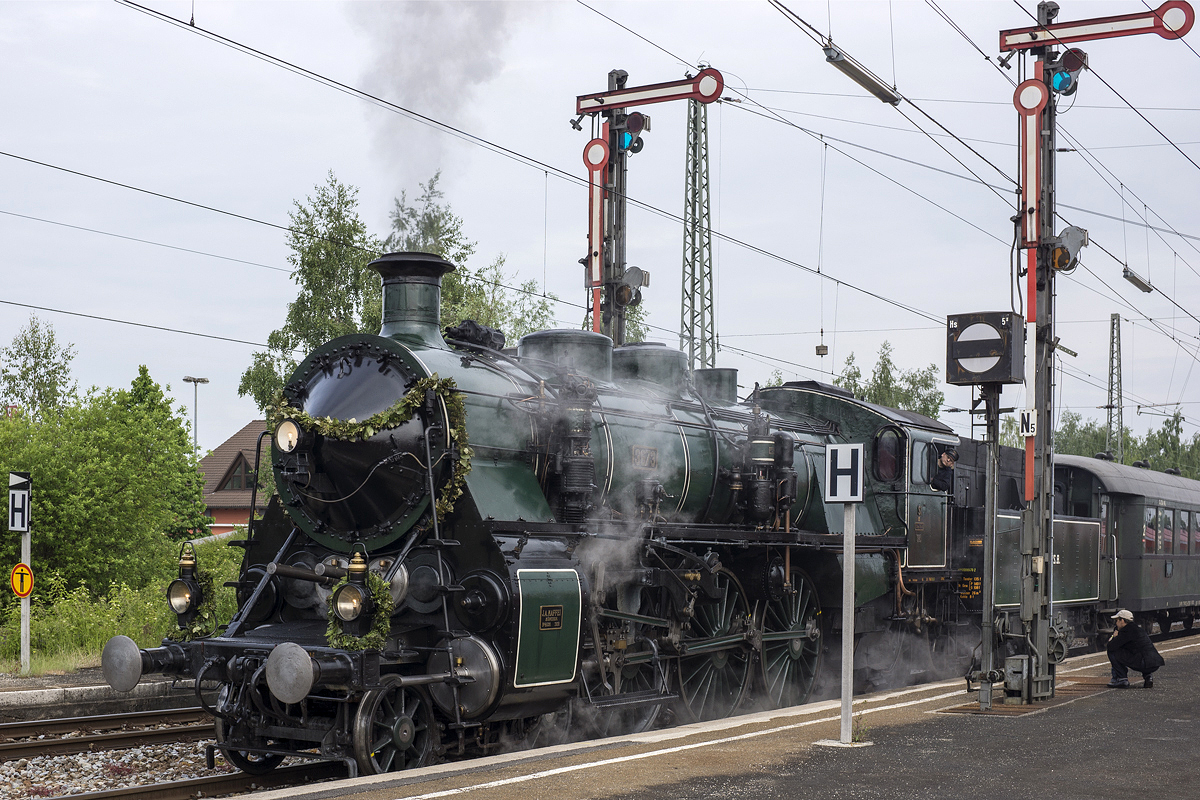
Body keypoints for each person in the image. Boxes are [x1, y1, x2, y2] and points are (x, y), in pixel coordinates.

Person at [1106, 609, 1165, 688]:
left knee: (1113, 652)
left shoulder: (1126, 632)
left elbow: (1110, 647)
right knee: (1140, 652)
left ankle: (1122, 679)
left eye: (1117, 620)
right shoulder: (1138, 629)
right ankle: (1148, 677)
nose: (1116, 623)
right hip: (1155, 663)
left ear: (1122, 620)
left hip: (1144, 663)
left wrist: (1114, 637)